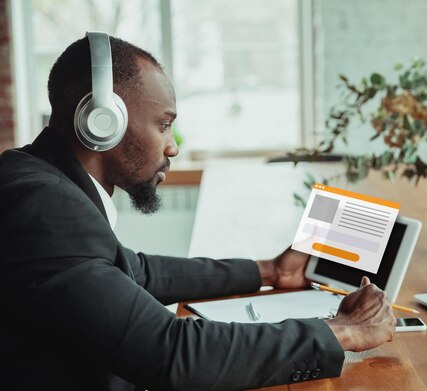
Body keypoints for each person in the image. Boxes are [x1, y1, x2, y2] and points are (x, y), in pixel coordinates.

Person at [0, 34, 396, 390]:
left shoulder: (36, 177)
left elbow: (135, 270)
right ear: (102, 122)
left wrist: (269, 271)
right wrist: (342, 331)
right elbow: (171, 354)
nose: (172, 147)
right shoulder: (44, 208)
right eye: (164, 124)